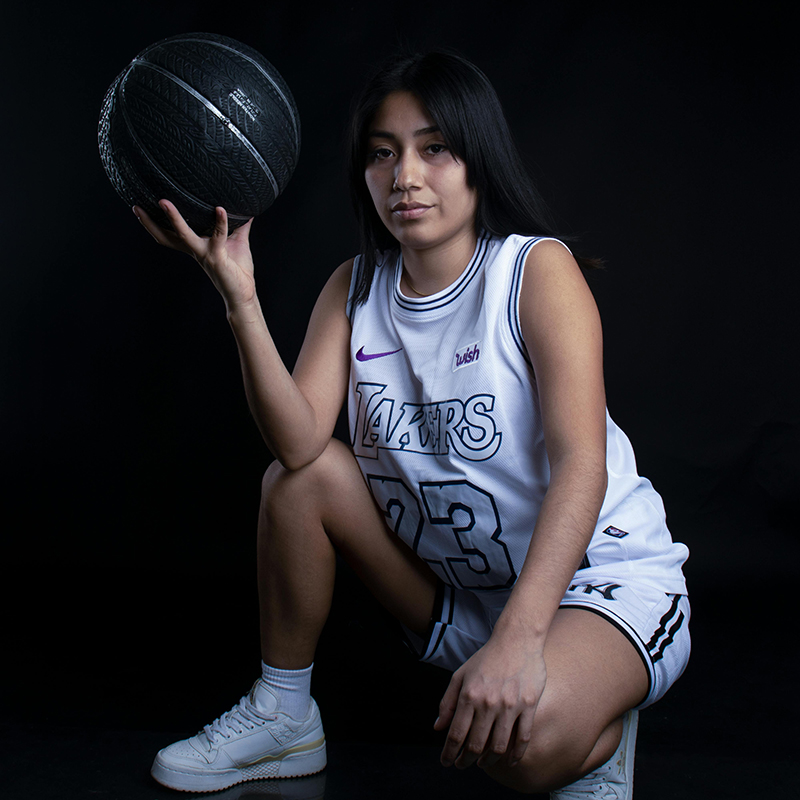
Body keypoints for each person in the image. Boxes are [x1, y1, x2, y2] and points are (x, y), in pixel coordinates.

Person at [134, 50, 690, 798]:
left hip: (597, 586)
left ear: (477, 160)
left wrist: (523, 643)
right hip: (462, 602)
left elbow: (582, 467)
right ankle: (283, 715)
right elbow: (298, 444)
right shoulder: (354, 286)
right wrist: (241, 300)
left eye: (435, 149)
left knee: (517, 754)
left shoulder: (532, 274)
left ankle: (602, 723)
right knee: (297, 481)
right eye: (382, 154)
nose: (405, 177)